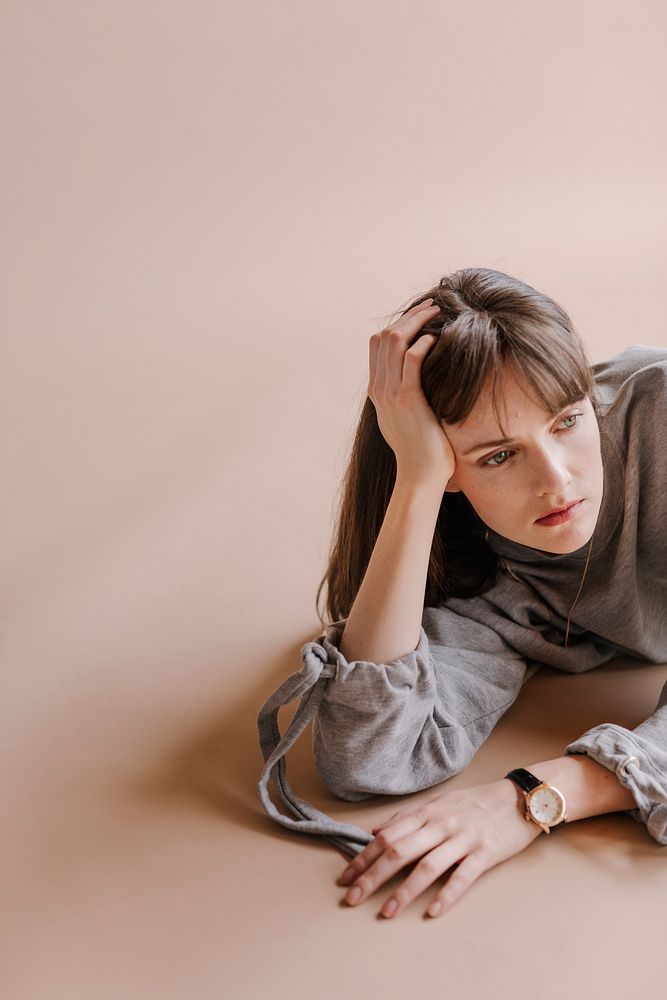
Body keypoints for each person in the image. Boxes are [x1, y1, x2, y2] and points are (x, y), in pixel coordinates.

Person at [256, 267, 667, 921]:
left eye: (566, 421)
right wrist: (416, 479)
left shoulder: (658, 417)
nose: (555, 482)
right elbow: (367, 758)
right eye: (497, 456)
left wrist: (535, 795)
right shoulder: (485, 584)